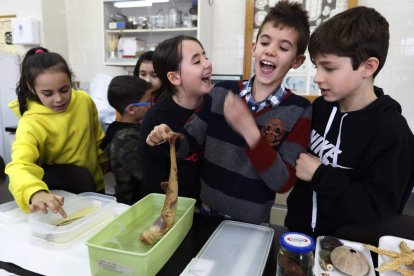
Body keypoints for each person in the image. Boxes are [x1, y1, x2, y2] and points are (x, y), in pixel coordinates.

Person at [146, 1, 312, 224]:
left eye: (283, 48)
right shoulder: (222, 91)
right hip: (206, 212)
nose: (270, 51)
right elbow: (191, 140)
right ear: (254, 48)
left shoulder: (300, 110)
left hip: (252, 223)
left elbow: (282, 182)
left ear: (297, 61)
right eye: (265, 42)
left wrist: (251, 133)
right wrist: (169, 138)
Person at [285, 6, 414, 237]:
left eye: (329, 68)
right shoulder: (320, 108)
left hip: (348, 251)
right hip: (298, 233)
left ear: (368, 66)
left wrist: (320, 175)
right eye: (316, 66)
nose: (317, 77)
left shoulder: (393, 132)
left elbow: (379, 212)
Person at [5, 47, 108, 218]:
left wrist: (102, 158)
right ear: (32, 88)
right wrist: (34, 192)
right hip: (59, 197)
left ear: (70, 81)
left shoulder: (83, 100)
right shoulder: (31, 123)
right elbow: (19, 166)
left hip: (95, 186)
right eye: (48, 93)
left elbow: (96, 134)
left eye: (64, 89)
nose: (59, 99)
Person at [139, 35, 213, 206]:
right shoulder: (157, 118)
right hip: (178, 208)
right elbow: (153, 176)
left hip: (212, 207)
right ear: (174, 78)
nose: (207, 63)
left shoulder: (215, 104)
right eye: (197, 61)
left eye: (205, 56)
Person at [100, 75, 153, 205]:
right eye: (148, 102)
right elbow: (142, 175)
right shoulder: (125, 138)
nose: (151, 105)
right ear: (131, 109)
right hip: (133, 202)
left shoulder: (118, 128)